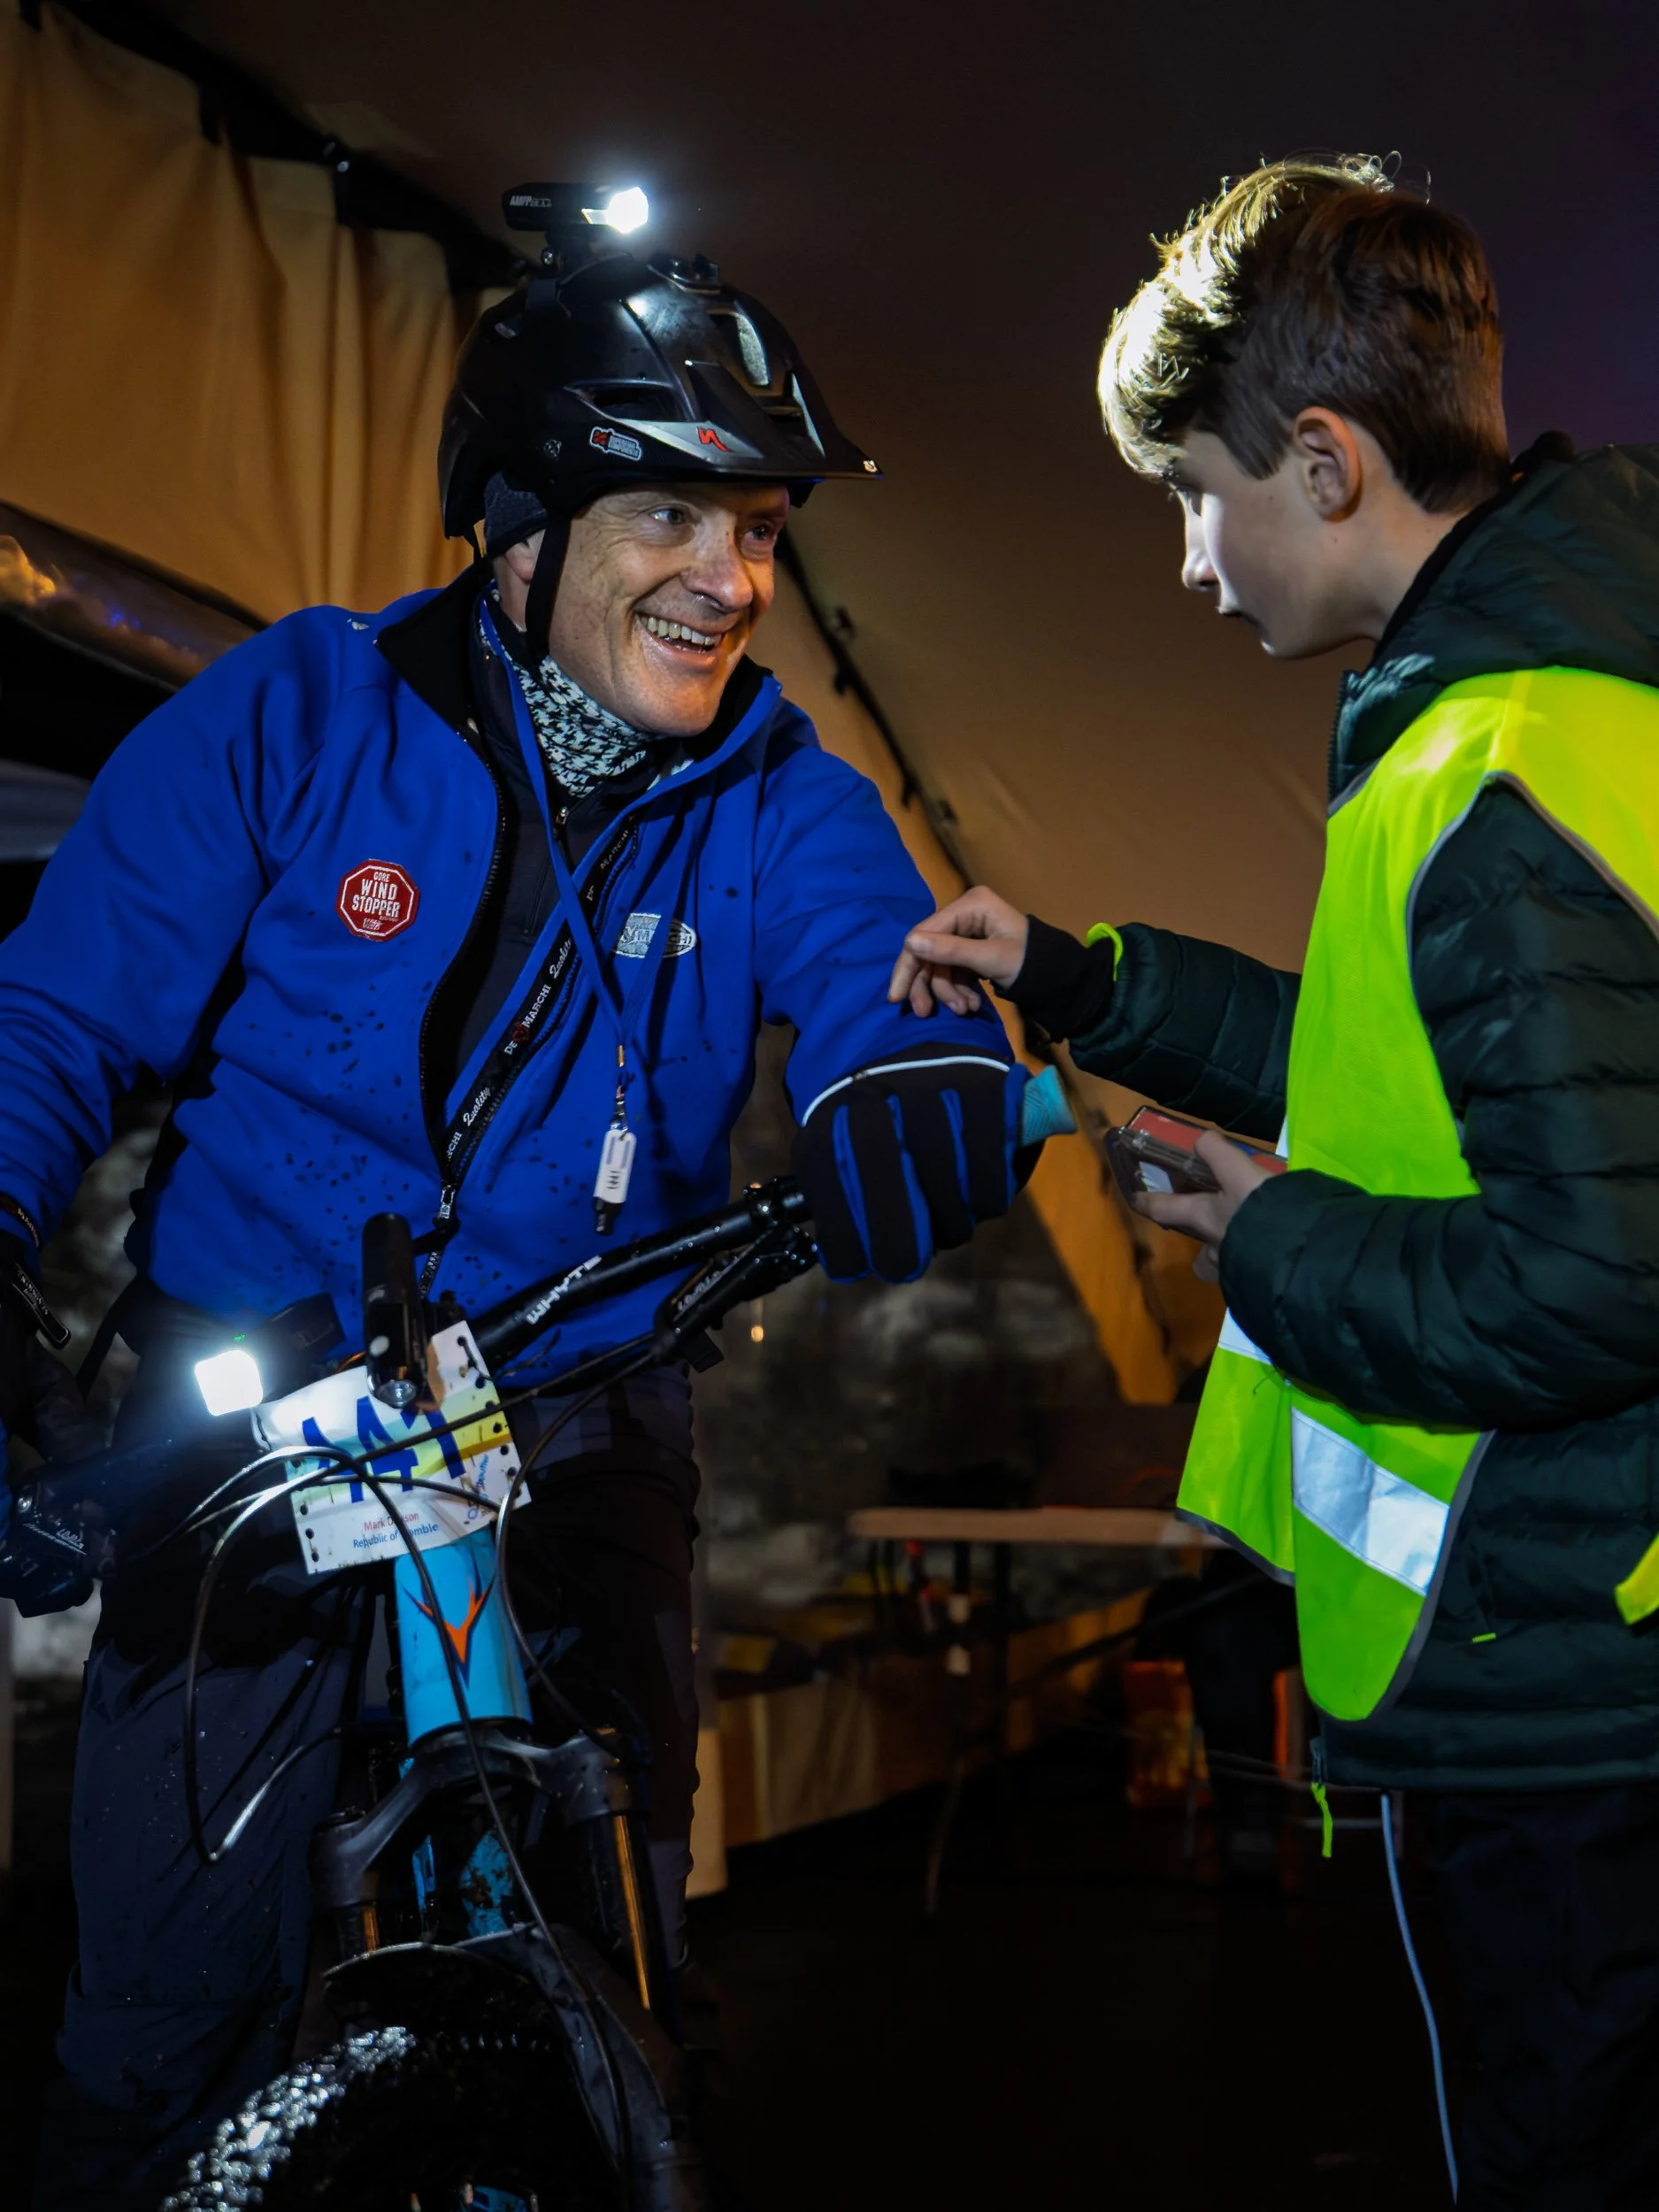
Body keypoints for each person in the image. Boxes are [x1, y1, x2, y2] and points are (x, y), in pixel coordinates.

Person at [0, 223, 1025, 2208]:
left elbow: (881, 974)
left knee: (634, 1999)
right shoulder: (302, 712)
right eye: (670, 510)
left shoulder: (779, 791)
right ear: (518, 529)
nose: (731, 575)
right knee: (163, 2030)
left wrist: (921, 1088)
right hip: (258, 1425)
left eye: (755, 522)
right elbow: (57, 1005)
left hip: (577, 1413)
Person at [890, 156, 1659, 2207]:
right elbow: (1398, 1059)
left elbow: (1600, 1274)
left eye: (1194, 493)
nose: (1184, 558)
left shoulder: (1493, 766)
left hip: (1559, 1683)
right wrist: (1078, 982)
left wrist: (1272, 1234)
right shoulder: (1543, 707)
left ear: (1322, 466)